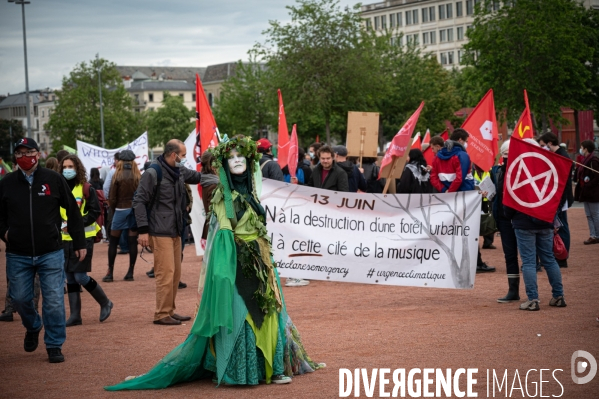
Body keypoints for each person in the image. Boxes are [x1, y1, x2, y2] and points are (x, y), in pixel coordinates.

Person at [105, 136, 322, 391]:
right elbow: (225, 230)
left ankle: (272, 368)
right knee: (244, 314)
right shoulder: (223, 195)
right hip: (236, 261)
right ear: (224, 164)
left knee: (270, 312)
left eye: (242, 156)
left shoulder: (251, 190)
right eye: (232, 158)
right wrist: (225, 267)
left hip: (261, 260)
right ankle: (244, 369)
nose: (238, 161)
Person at [0, 137, 86, 363]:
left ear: (38, 154)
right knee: (19, 299)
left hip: (50, 251)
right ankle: (33, 325)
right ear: (15, 158)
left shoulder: (54, 179)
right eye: (19, 153)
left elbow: (73, 212)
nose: (24, 157)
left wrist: (79, 243)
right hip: (18, 253)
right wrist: (5, 234)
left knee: (55, 299)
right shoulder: (7, 182)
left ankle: (54, 344)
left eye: (28, 152)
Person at [133, 140, 201, 325]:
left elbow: (196, 176)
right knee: (165, 273)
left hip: (175, 229)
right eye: (184, 155)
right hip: (159, 230)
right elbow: (139, 202)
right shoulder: (153, 172)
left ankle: (169, 310)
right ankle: (161, 314)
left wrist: (220, 177)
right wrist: (143, 231)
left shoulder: (178, 171)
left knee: (175, 273)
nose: (185, 158)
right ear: (174, 155)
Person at [504, 138, 566, 311]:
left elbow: (508, 204)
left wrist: (509, 216)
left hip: (523, 224)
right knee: (549, 259)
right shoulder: (545, 168)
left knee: (529, 262)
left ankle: (533, 299)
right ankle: (558, 295)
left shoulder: (516, 171)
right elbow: (556, 197)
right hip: (545, 221)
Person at [430, 128, 495, 273]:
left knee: (451, 231)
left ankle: (452, 262)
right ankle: (475, 263)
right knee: (468, 230)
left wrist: (444, 191)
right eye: (466, 141)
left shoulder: (438, 156)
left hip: (448, 198)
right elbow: (460, 178)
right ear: (460, 140)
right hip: (464, 197)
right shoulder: (462, 155)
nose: (466, 144)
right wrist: (451, 192)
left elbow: (433, 177)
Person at [58, 155, 113, 326]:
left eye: (71, 167)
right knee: (70, 276)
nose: (67, 170)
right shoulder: (59, 188)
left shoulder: (85, 188)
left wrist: (76, 224)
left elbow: (95, 211)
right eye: (64, 167)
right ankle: (75, 315)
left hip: (84, 237)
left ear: (78, 168)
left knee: (80, 276)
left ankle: (105, 302)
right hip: (64, 238)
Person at [103, 150, 140, 282]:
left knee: (113, 241)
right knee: (132, 242)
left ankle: (110, 272)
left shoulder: (116, 175)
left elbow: (112, 197)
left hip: (119, 210)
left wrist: (114, 209)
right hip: (134, 211)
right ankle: (130, 272)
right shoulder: (138, 175)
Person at [538, 133, 573, 268]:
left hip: (561, 197)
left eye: (543, 145)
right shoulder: (558, 155)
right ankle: (560, 255)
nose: (542, 148)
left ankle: (562, 257)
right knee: (560, 225)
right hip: (559, 196)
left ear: (550, 143)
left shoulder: (561, 156)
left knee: (561, 226)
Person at [492, 140, 520, 303]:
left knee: (529, 256)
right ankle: (513, 290)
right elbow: (497, 193)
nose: (506, 157)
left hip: (518, 218)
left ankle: (552, 293)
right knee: (510, 255)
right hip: (503, 218)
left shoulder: (520, 170)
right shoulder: (497, 171)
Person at [574, 140, 599, 244]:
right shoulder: (585, 160)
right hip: (585, 192)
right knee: (589, 215)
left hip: (593, 193)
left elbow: (597, 177)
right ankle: (592, 235)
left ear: (586, 149)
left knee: (595, 214)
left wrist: (588, 185)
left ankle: (597, 235)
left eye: (582, 147)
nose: (581, 149)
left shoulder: (593, 161)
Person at [473, 163, 495, 249]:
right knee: (475, 220)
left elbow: (494, 184)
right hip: (475, 200)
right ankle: (475, 241)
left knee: (488, 220)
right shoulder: (472, 171)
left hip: (487, 199)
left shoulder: (489, 171)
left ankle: (488, 242)